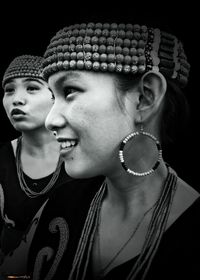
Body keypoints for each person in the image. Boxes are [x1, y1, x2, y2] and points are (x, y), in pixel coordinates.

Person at [27, 23, 200, 280]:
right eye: (53, 97)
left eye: (70, 91)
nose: (50, 120)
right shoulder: (63, 204)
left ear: (144, 98)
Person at [0, 55, 73, 274]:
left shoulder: (83, 157)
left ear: (56, 96)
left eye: (32, 88)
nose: (17, 100)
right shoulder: (2, 159)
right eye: (9, 90)